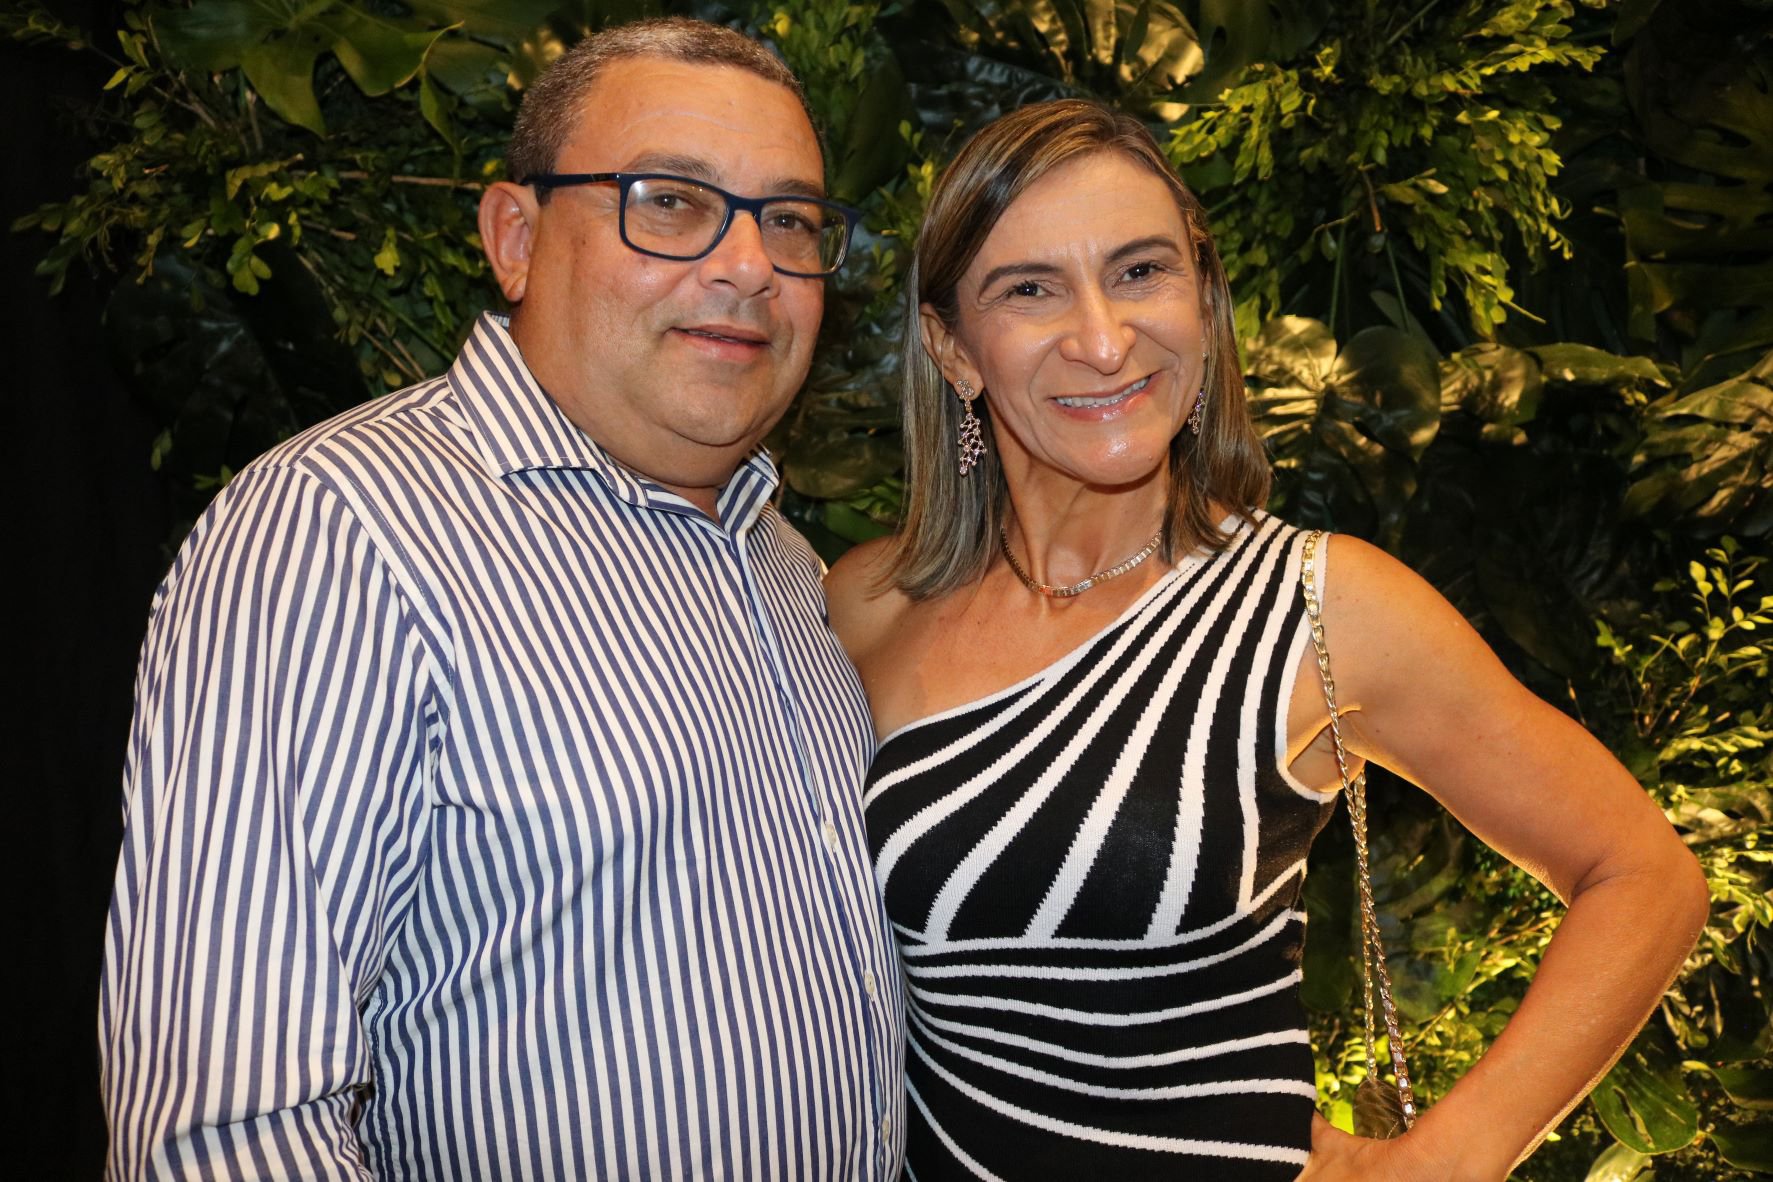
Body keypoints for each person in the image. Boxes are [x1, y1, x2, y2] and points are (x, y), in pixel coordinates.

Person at [825, 99, 1708, 1181]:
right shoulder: (870, 605)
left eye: (1140, 271)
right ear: (952, 349)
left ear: (1203, 299)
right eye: (1029, 289)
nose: (1102, 339)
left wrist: (1443, 1159)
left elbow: (1643, 874)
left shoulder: (1319, 607)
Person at [100, 18, 903, 1179]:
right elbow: (228, 1131)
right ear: (515, 238)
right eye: (670, 202)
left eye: (790, 221)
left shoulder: (782, 561)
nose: (747, 265)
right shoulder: (342, 532)